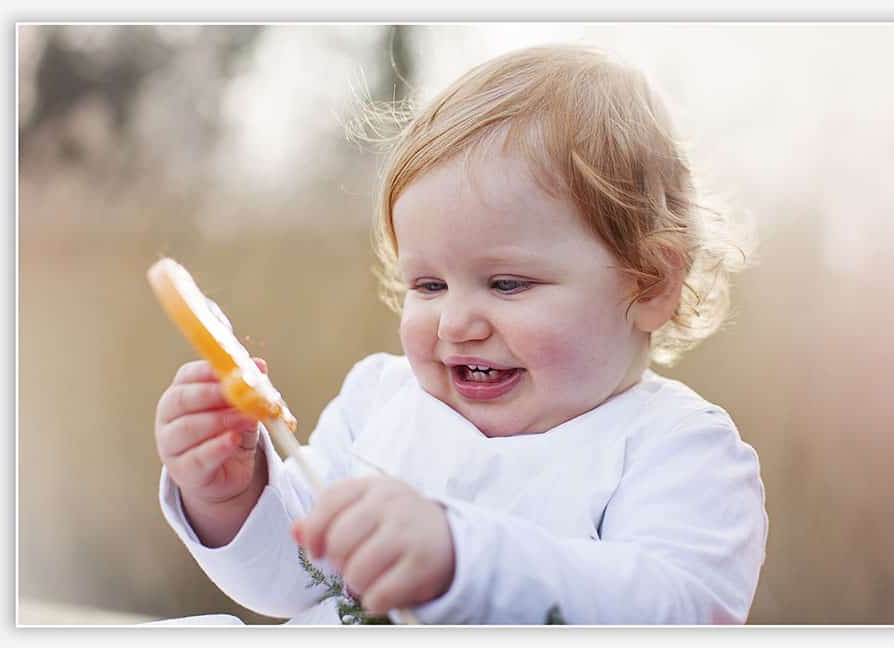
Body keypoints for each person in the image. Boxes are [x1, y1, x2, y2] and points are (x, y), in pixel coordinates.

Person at [154, 44, 767, 625]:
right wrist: (232, 494)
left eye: (507, 284)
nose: (454, 324)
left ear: (652, 283)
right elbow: (296, 577)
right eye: (429, 285)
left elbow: (676, 610)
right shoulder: (381, 400)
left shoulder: (679, 450)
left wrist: (462, 559)